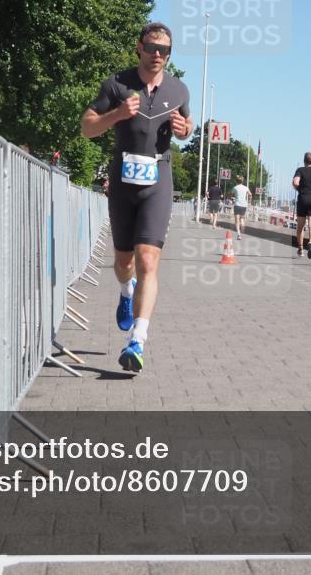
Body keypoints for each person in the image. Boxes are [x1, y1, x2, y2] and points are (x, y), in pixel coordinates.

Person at [80, 22, 192, 372]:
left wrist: (184, 130)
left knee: (148, 260)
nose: (157, 54)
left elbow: (187, 126)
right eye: (152, 47)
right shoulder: (117, 84)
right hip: (123, 180)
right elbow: (87, 127)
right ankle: (126, 292)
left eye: (164, 50)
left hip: (158, 179)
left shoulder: (179, 89)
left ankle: (137, 340)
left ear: (169, 54)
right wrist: (117, 114)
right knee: (124, 262)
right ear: (139, 48)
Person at [232, 175, 250, 239]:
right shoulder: (246, 188)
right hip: (244, 205)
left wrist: (232, 198)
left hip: (237, 204)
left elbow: (231, 195)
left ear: (236, 181)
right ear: (242, 181)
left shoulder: (235, 188)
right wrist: (249, 201)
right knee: (242, 218)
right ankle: (242, 227)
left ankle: (239, 234)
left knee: (237, 220)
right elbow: (250, 194)